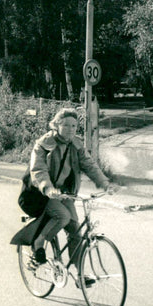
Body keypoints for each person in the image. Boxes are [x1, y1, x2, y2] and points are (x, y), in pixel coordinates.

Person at [29, 108, 117, 266]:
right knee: (63, 216)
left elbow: (90, 166)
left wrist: (105, 184)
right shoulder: (43, 144)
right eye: (66, 125)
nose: (71, 129)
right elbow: (38, 170)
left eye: (74, 126)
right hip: (44, 194)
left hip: (65, 194)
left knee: (75, 231)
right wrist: (48, 188)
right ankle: (38, 242)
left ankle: (79, 273)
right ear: (57, 125)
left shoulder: (76, 145)